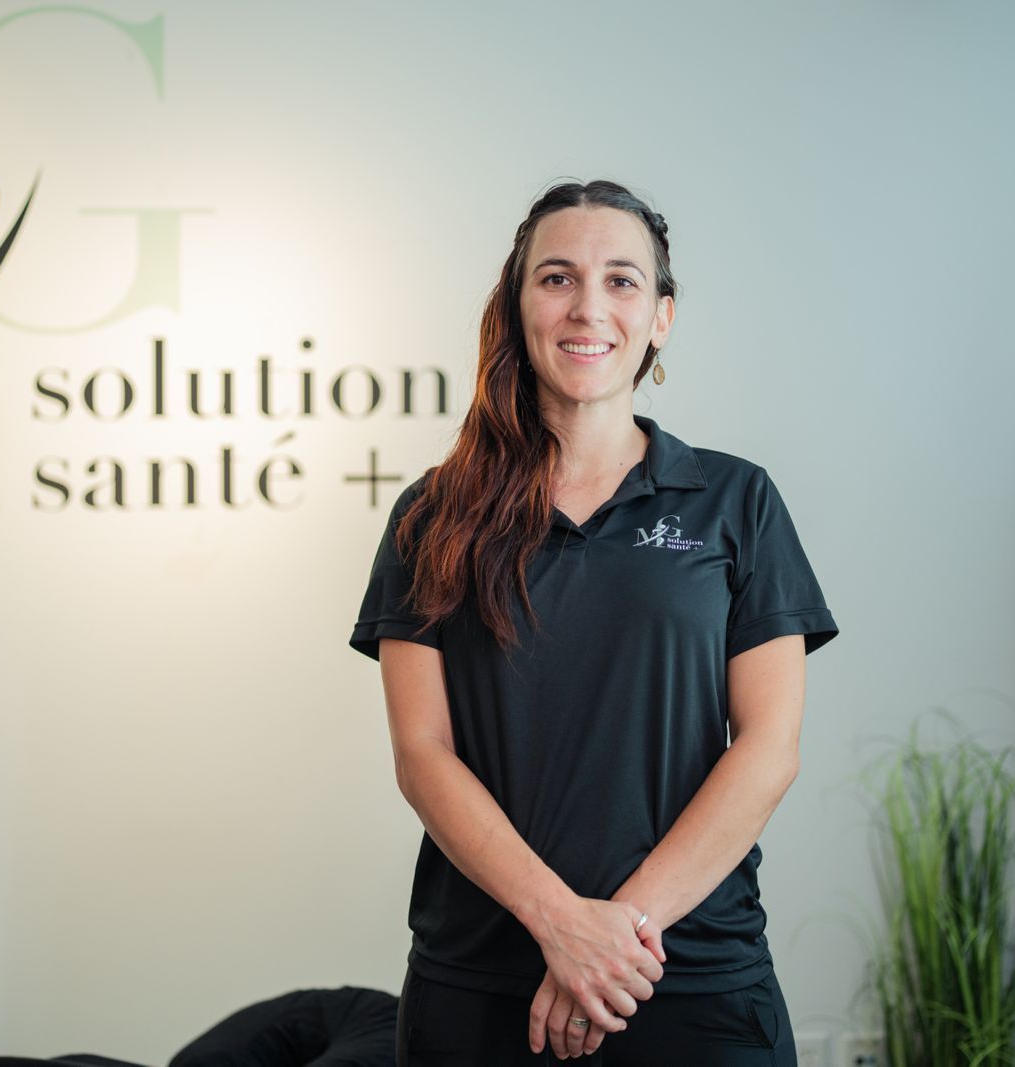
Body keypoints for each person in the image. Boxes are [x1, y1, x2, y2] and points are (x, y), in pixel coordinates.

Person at [349, 180, 838, 1064]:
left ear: (661, 316)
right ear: (519, 302)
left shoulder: (737, 501)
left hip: (688, 976)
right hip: (484, 983)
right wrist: (560, 924)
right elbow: (423, 753)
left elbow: (768, 748)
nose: (588, 306)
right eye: (557, 278)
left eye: (621, 280)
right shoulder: (435, 511)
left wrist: (617, 936)